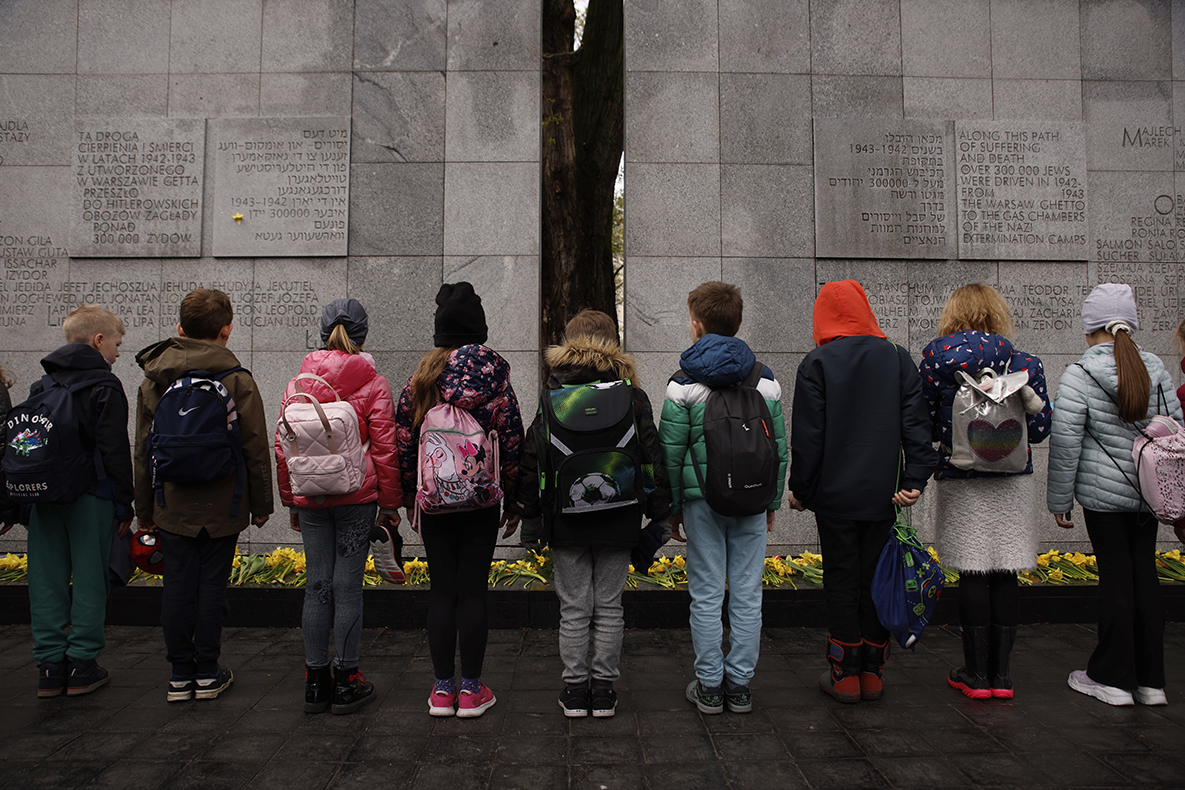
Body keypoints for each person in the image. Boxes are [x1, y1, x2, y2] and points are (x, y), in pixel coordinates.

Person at [517, 309, 672, 718]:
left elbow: (533, 458)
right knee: (609, 604)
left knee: (573, 607)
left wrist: (529, 518)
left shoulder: (552, 397)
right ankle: (602, 690)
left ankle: (573, 691)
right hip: (619, 517)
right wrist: (661, 515)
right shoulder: (632, 397)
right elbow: (651, 458)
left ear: (568, 346)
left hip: (566, 518)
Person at [787, 280, 936, 704]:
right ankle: (873, 671)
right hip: (883, 496)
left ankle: (844, 673)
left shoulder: (816, 363)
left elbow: (809, 438)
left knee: (840, 578)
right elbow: (916, 427)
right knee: (876, 580)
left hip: (834, 497)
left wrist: (801, 490)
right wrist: (914, 480)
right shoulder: (897, 358)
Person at [134, 289, 273, 702]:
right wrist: (262, 506)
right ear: (227, 330)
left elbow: (142, 453)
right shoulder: (237, 380)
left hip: (171, 504)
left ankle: (180, 673)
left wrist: (144, 509)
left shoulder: (154, 380)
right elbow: (255, 448)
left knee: (177, 585)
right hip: (224, 504)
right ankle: (208, 672)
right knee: (212, 587)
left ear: (180, 329)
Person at [1047, 283, 1181, 707]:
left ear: (1090, 329)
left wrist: (1059, 501)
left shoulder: (1080, 374)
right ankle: (1151, 682)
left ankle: (1112, 678)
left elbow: (1066, 443)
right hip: (1148, 494)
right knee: (1145, 578)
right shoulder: (1155, 367)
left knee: (1116, 582)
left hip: (1103, 501)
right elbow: (1175, 432)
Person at [394, 282, 523, 718]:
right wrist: (515, 498)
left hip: (434, 504)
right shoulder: (495, 377)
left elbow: (405, 443)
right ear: (479, 329)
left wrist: (412, 496)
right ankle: (472, 691)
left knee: (441, 592)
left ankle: (442, 690)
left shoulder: (420, 380)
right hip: (482, 503)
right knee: (473, 593)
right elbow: (512, 439)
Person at [659, 281, 788, 715]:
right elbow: (779, 450)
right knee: (749, 593)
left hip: (702, 503)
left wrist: (673, 509)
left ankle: (710, 685)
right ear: (738, 322)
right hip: (752, 500)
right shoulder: (764, 380)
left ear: (696, 325)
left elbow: (671, 455)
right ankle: (740, 685)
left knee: (707, 592)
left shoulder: (682, 384)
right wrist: (771, 502)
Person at [919, 284, 1052, 699]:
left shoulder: (936, 359)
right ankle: (1002, 677)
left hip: (962, 479)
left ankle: (975, 675)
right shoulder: (1024, 362)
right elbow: (1043, 428)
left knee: (973, 571)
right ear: (996, 315)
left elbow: (923, 422)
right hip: (1013, 479)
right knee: (1005, 570)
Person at [275, 298, 403, 714]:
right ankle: (347, 680)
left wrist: (291, 501)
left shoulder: (297, 385)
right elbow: (385, 449)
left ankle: (315, 682)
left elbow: (283, 450)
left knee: (317, 586)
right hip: (357, 499)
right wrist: (390, 504)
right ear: (363, 334)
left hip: (311, 499)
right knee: (347, 587)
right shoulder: (374, 383)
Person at [0, 306, 133, 697]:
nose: (118, 352)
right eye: (116, 344)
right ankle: (81, 665)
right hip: (91, 497)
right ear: (98, 341)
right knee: (91, 580)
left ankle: (49, 667)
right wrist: (125, 503)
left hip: (42, 499)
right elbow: (114, 452)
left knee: (45, 580)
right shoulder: (105, 387)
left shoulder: (42, 386)